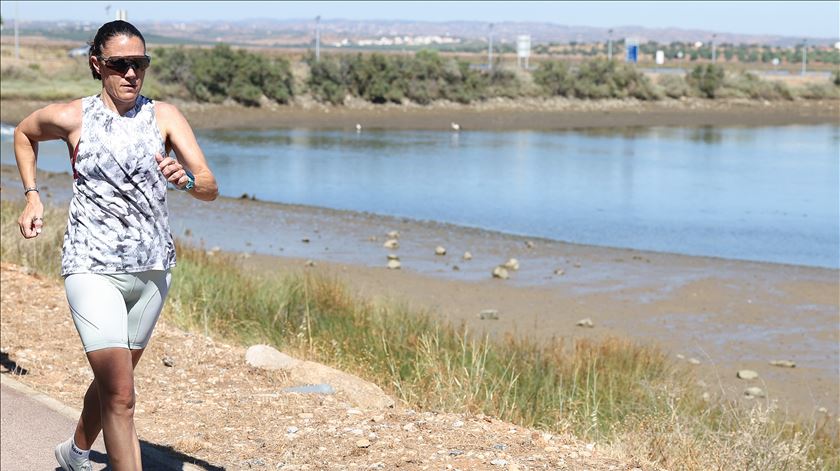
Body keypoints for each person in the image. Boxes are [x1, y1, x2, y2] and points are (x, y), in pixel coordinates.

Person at [13, 20, 218, 471]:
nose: (131, 74)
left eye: (139, 64)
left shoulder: (164, 116)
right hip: (90, 265)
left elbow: (209, 185)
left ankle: (74, 453)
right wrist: (32, 195)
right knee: (122, 396)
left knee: (113, 382)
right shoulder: (73, 117)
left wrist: (187, 181)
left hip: (152, 270)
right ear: (97, 65)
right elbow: (23, 133)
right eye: (119, 64)